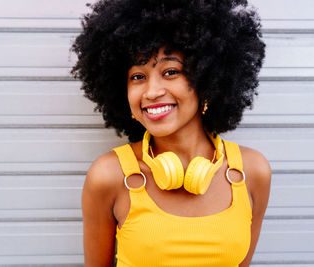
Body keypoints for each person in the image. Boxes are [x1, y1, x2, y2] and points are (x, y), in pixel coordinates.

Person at [71, 0, 271, 266]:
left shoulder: (252, 171)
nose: (152, 92)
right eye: (138, 77)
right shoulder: (108, 176)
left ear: (207, 78)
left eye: (171, 71)